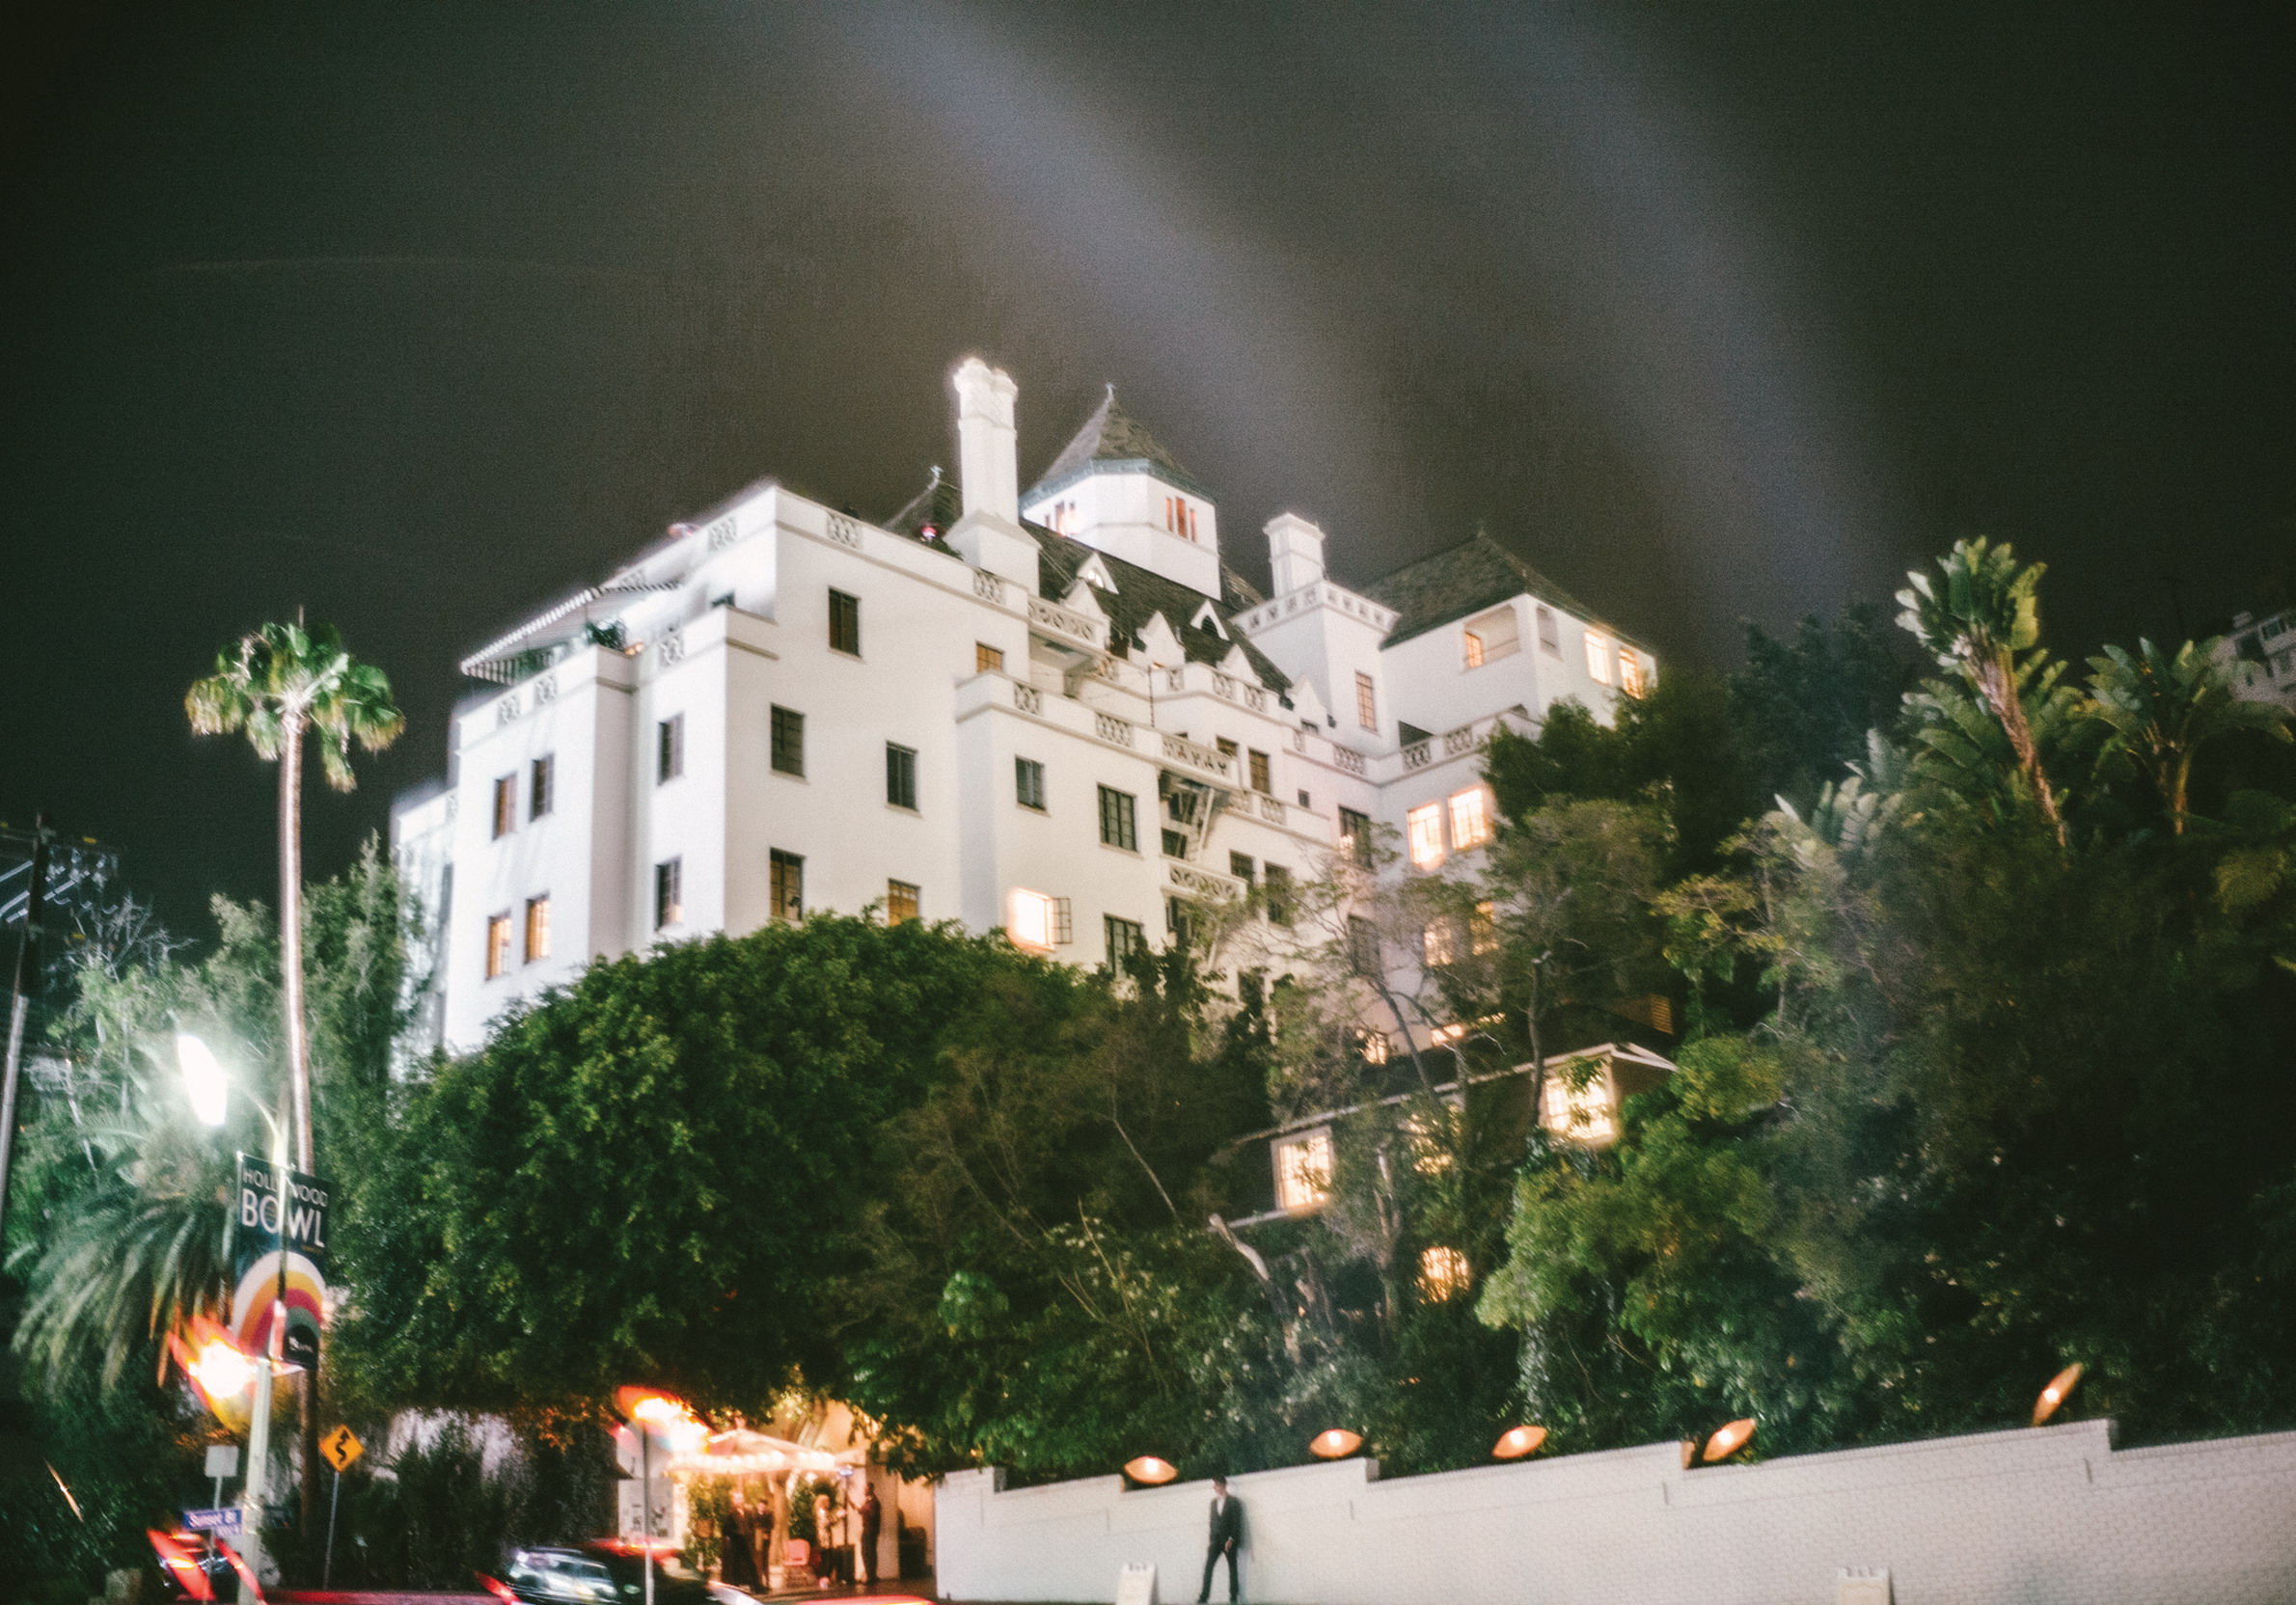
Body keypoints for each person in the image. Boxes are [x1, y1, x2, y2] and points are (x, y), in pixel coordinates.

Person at [1197, 1476, 1244, 1604]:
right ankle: (1203, 1598)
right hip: (1215, 1541)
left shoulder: (1234, 1502)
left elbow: (1236, 1523)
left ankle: (1233, 1597)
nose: (1214, 1487)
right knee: (1208, 1568)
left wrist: (1231, 1539)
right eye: (1214, 1485)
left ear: (1223, 1485)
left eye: (1216, 1484)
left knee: (1232, 1568)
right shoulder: (1213, 1503)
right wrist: (1211, 1539)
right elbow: (1212, 1522)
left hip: (1228, 1541)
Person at [859, 1484, 883, 1587]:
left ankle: (871, 1575)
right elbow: (861, 1511)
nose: (864, 1491)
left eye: (866, 1489)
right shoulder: (869, 1502)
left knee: (868, 1552)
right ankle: (871, 1574)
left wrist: (865, 1509)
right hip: (868, 1529)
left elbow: (872, 1514)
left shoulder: (874, 1502)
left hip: (871, 1530)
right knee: (868, 1552)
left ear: (871, 1490)